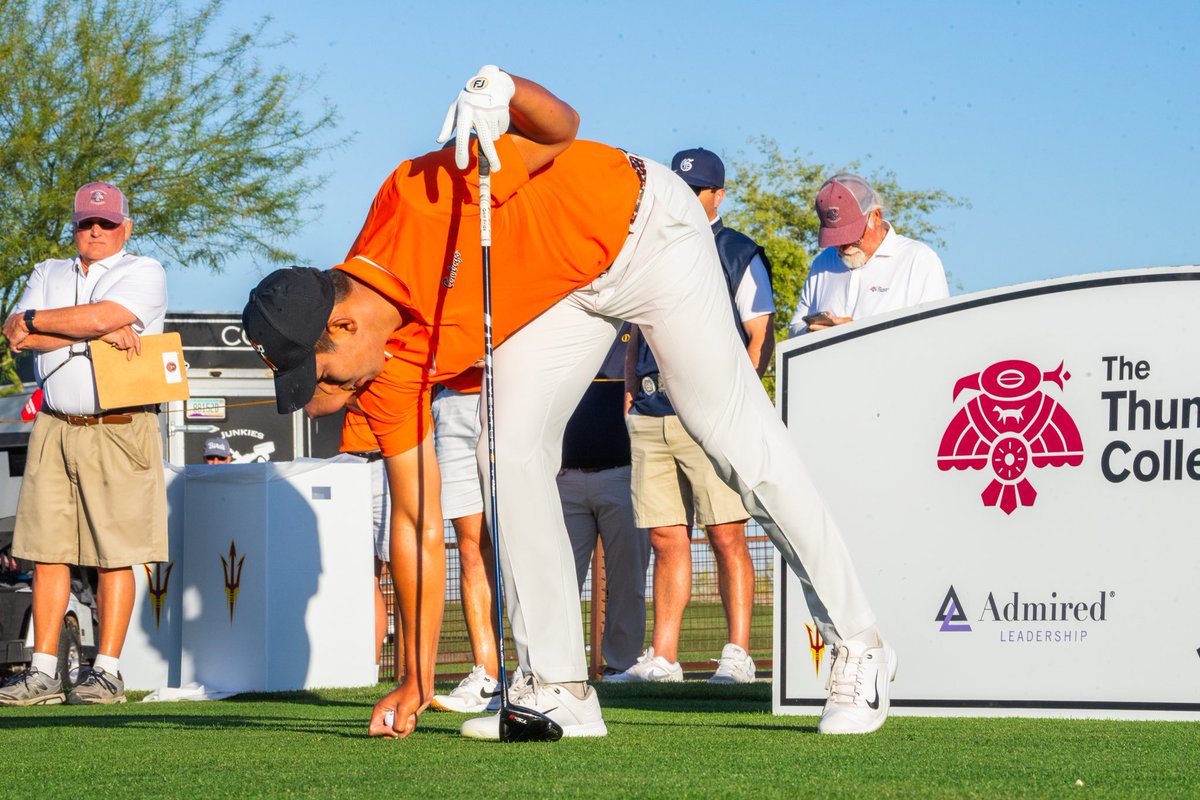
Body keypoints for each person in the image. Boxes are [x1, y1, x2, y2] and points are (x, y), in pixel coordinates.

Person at [242, 65, 893, 739]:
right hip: (565, 291)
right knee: (507, 449)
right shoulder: (385, 365)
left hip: (646, 231)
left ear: (345, 327)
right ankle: (558, 687)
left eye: (320, 379)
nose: (322, 403)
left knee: (727, 430)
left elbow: (561, 130)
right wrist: (415, 676)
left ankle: (860, 644)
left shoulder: (421, 197)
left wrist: (505, 89)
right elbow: (412, 524)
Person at [0, 181, 167, 706]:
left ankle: (108, 672)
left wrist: (52, 322)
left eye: (107, 223)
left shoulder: (144, 270)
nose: (95, 231)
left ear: (126, 227)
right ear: (74, 225)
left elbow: (82, 319)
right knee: (47, 552)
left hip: (119, 426)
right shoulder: (48, 271)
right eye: (86, 223)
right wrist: (94, 329)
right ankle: (44, 670)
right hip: (53, 423)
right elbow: (17, 334)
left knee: (115, 554)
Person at [614, 148, 772, 686]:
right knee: (665, 538)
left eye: (697, 190)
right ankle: (663, 659)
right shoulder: (651, 251)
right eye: (679, 188)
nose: (685, 197)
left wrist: (734, 402)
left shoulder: (737, 251)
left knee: (726, 535)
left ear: (718, 195)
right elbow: (636, 329)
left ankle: (737, 655)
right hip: (653, 412)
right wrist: (633, 389)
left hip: (711, 416)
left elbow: (760, 337)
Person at [557, 324, 650, 677]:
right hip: (566, 478)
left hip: (624, 475)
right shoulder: (567, 325)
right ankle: (557, 667)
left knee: (627, 582)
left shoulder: (638, 327)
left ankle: (621, 667)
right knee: (558, 578)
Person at [787, 173, 949, 337]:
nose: (845, 247)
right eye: (836, 239)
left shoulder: (919, 260)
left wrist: (855, 335)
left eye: (853, 237)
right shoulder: (822, 263)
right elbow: (794, 328)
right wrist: (812, 331)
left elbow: (936, 334)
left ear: (876, 216)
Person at [427, 375, 502, 713]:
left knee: (524, 543)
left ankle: (544, 674)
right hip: (452, 398)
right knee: (471, 548)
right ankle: (488, 676)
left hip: (508, 394)